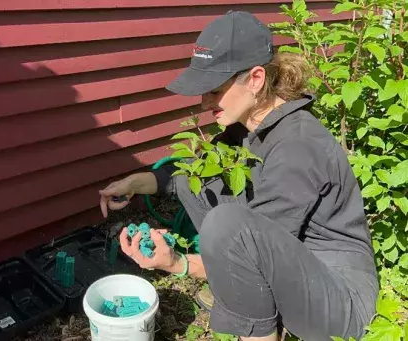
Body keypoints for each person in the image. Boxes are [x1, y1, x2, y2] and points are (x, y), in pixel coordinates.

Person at [98, 10, 378, 341]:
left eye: (214, 90)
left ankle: (258, 333)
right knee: (196, 181)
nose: (204, 102)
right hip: (299, 270)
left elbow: (245, 249)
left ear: (256, 79)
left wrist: (176, 262)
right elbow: (189, 172)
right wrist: (134, 184)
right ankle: (245, 301)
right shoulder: (249, 127)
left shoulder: (297, 148)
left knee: (228, 223)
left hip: (341, 302)